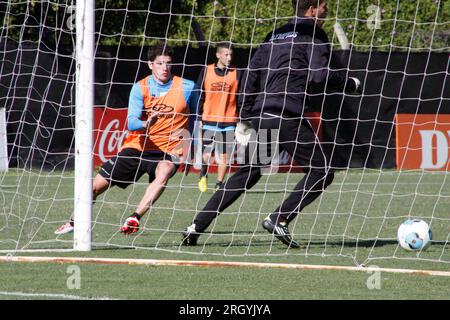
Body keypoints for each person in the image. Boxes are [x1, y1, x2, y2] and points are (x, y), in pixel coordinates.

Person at [181, 0, 361, 248]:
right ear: (312, 9)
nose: (326, 12)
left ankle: (196, 225)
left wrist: (244, 116)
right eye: (324, 7)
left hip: (264, 114)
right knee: (323, 170)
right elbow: (319, 75)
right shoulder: (314, 33)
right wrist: (349, 83)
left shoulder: (274, 34)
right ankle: (280, 217)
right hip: (287, 115)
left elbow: (252, 74)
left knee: (248, 173)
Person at [55, 44, 197, 235]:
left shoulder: (187, 87)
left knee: (164, 171)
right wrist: (146, 123)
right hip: (137, 147)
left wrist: (191, 147)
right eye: (160, 63)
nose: (165, 68)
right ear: (150, 65)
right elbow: (131, 122)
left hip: (168, 151)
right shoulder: (140, 88)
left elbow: (195, 119)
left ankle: (134, 217)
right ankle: (74, 221)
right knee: (94, 187)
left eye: (168, 64)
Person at [197, 42, 240, 192]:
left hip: (229, 120)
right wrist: (198, 117)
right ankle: (203, 175)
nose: (229, 58)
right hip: (209, 119)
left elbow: (240, 97)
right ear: (218, 55)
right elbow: (199, 95)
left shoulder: (237, 73)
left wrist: (240, 118)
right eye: (226, 54)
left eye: (231, 55)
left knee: (224, 156)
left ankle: (219, 184)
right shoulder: (207, 70)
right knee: (207, 154)